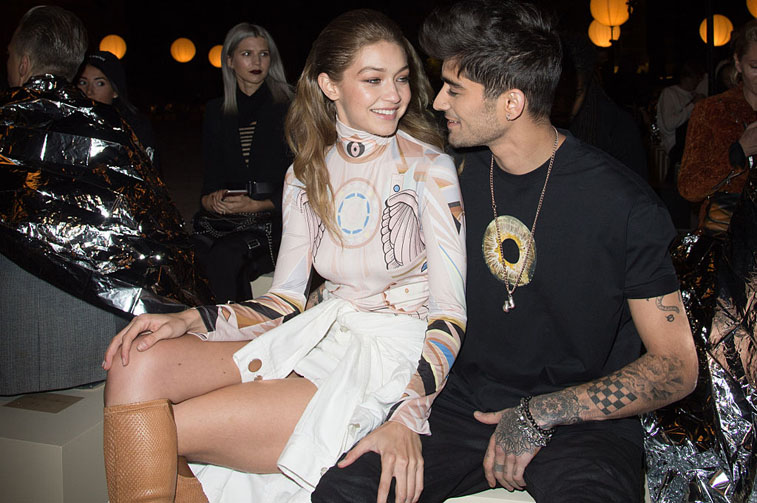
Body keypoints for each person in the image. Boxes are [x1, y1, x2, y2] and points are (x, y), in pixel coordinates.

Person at [313, 1, 698, 502]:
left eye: (455, 89)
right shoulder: (452, 177)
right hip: (463, 404)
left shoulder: (623, 204)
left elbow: (676, 366)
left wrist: (542, 413)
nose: (437, 103)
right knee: (344, 491)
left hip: (579, 423)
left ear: (511, 103)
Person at [101, 9, 466, 503]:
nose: (394, 95)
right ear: (329, 85)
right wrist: (189, 319)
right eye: (373, 79)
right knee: (135, 361)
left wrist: (407, 412)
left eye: (401, 78)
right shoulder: (305, 174)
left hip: (386, 357)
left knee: (160, 431)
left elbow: (449, 316)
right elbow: (284, 302)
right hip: (317, 331)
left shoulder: (429, 168)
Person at [0, 6, 208, 395]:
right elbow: (154, 232)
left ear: (23, 63)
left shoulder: (7, 125)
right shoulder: (112, 129)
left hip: (14, 345)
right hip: (98, 348)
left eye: (9, 55)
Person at [193, 23, 293, 303]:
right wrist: (210, 200)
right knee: (187, 253)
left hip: (277, 219)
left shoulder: (290, 105)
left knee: (227, 256)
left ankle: (235, 326)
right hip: (230, 219)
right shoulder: (216, 110)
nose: (256, 62)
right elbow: (211, 177)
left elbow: (307, 175)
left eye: (263, 54)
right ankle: (200, 324)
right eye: (247, 54)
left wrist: (262, 204)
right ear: (229, 61)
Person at [678, 20, 757, 235]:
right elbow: (689, 187)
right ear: (738, 63)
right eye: (755, 67)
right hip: (727, 236)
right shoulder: (713, 111)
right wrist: (738, 152)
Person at [552, 33, 647, 181]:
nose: (563, 105)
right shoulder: (538, 123)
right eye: (555, 95)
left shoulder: (616, 127)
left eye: (575, 94)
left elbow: (636, 187)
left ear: (588, 86)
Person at [77, 50, 160, 171]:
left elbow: (150, 173)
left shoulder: (134, 127)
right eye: (83, 82)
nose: (89, 91)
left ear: (115, 91)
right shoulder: (66, 122)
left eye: (100, 83)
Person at [656, 62, 705, 167]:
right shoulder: (669, 93)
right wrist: (692, 106)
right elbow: (669, 124)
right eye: (696, 78)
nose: (697, 82)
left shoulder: (694, 95)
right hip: (677, 146)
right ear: (687, 78)